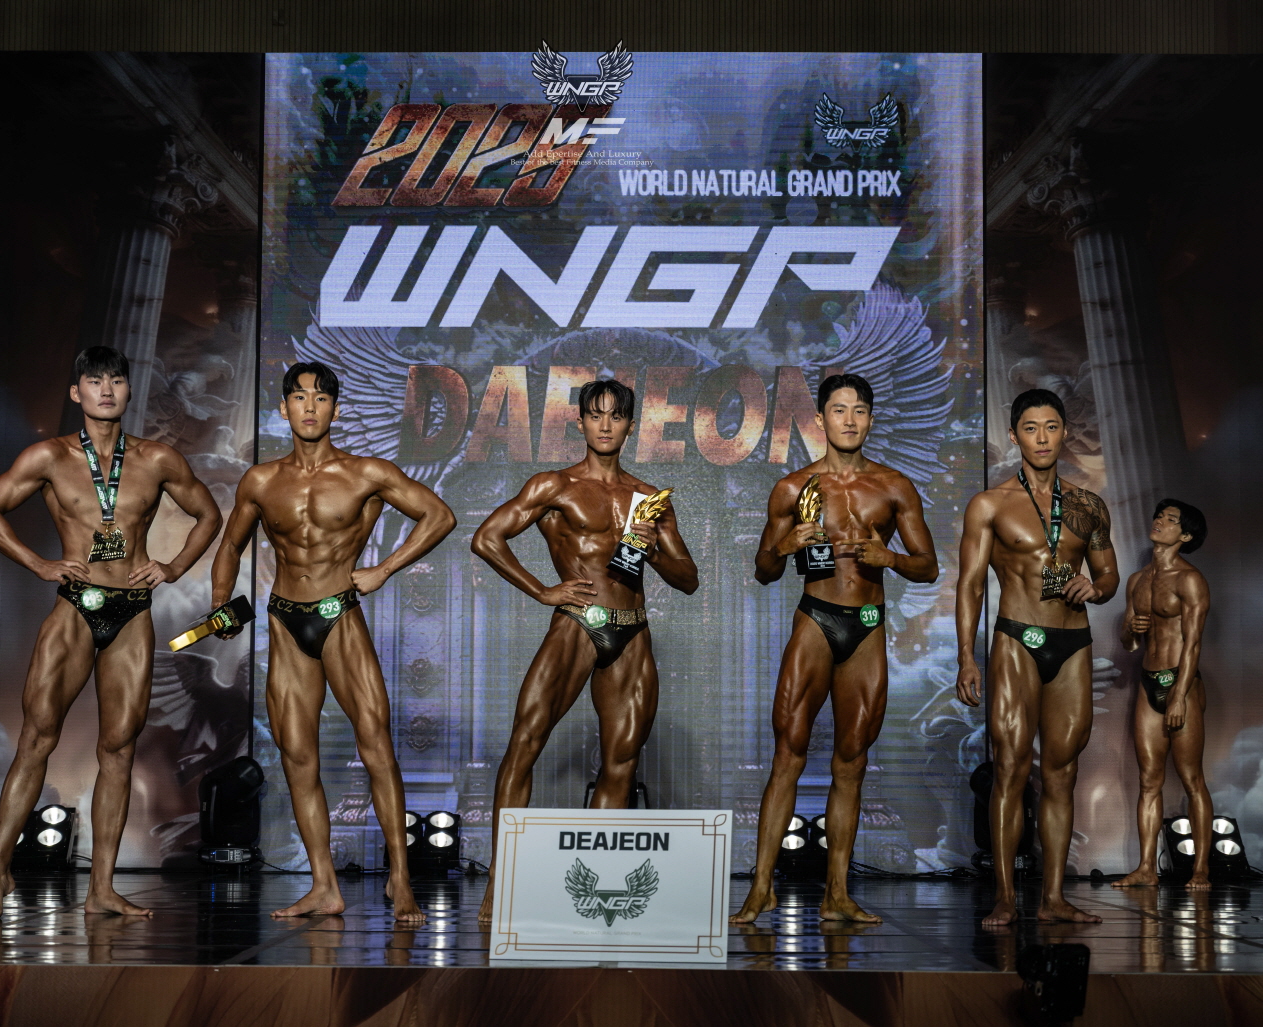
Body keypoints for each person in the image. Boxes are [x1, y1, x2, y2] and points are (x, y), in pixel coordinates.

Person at [0, 346, 221, 920]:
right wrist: (39, 564)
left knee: (119, 750)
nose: (106, 390)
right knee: (37, 739)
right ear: (76, 392)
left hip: (132, 612)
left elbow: (208, 515)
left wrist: (172, 567)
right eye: (94, 380)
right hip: (74, 609)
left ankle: (101, 889)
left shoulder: (157, 459)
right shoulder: (49, 456)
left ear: (128, 391)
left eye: (116, 381)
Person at [210, 362, 454, 920]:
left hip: (338, 613)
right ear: (284, 408)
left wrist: (384, 569)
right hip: (284, 620)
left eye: (321, 398)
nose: (310, 407)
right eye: (299, 397)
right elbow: (229, 546)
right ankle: (325, 886)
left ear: (336, 410)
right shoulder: (260, 481)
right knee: (298, 757)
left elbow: (439, 516)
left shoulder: (366, 472)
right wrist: (221, 601)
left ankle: (400, 879)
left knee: (375, 744)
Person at [472, 379, 699, 922]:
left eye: (615, 416)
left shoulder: (650, 499)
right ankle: (500, 882)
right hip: (577, 621)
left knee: (621, 762)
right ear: (579, 422)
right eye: (595, 415)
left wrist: (649, 547)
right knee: (526, 742)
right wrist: (542, 590)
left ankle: (590, 890)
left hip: (632, 630)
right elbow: (486, 538)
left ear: (630, 426)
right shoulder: (555, 485)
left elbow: (688, 579)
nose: (605, 425)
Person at [730, 373, 939, 923]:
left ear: (870, 418)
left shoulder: (893, 486)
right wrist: (783, 545)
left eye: (860, 410)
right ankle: (761, 888)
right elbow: (764, 571)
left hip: (867, 622)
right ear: (819, 419)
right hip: (817, 619)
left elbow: (928, 567)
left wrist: (889, 558)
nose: (850, 420)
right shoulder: (792, 488)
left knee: (853, 760)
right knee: (788, 753)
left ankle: (837, 894)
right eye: (839, 410)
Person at [955, 388, 1119, 926]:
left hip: (1073, 644)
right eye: (1031, 428)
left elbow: (1109, 574)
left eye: (1051, 427)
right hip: (1016, 639)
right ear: (1014, 435)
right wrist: (966, 657)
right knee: (1010, 766)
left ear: (1064, 432)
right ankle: (1005, 896)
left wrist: (1097, 588)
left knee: (1062, 772)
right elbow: (970, 585)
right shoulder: (990, 504)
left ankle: (1052, 898)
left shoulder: (1087, 505)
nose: (1042, 437)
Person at [1112, 500, 1213, 890]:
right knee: (1149, 780)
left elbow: (1193, 643)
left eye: (1170, 520)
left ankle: (1201, 870)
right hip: (1147, 681)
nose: (1160, 521)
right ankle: (1145, 868)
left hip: (1182, 683)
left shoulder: (1190, 580)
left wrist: (1179, 695)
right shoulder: (1136, 581)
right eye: (1159, 516)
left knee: (1191, 778)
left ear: (1184, 535)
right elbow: (1129, 643)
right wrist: (1131, 629)